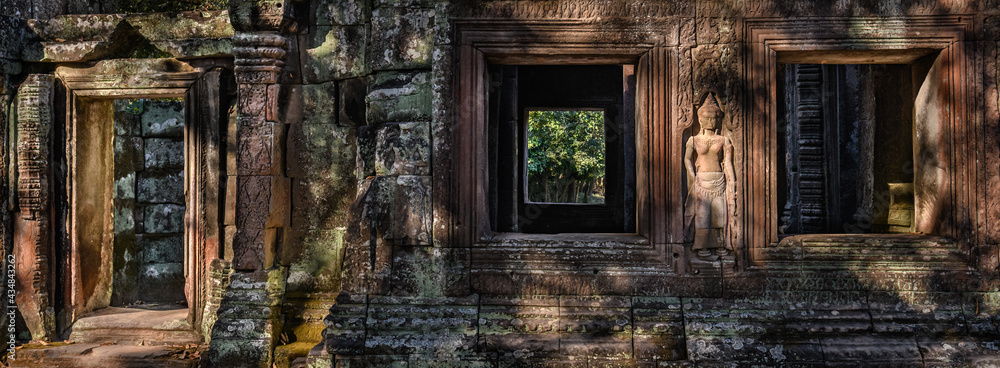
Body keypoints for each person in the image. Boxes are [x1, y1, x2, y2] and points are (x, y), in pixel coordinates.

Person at [684, 93, 735, 260]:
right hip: (701, 181)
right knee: (703, 217)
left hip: (719, 181)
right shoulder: (693, 140)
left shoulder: (723, 140)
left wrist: (732, 181)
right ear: (700, 120)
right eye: (708, 118)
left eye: (714, 118)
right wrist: (693, 178)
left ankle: (721, 247)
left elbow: (727, 162)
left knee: (720, 217)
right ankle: (702, 249)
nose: (712, 122)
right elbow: (687, 160)